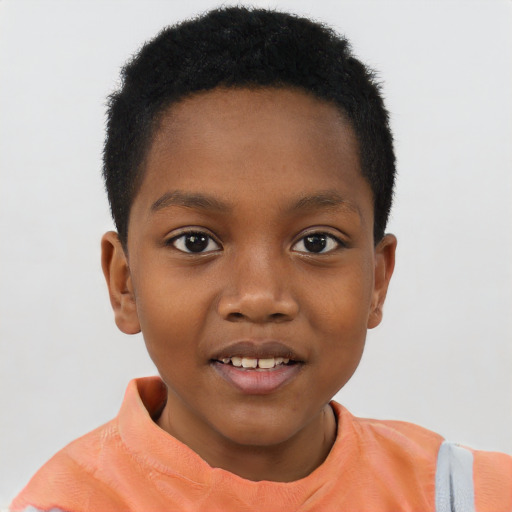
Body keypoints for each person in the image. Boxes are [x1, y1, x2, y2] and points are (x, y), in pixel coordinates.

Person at [10, 6, 511, 512]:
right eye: (195, 242)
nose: (259, 297)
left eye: (317, 243)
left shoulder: (470, 495)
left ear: (377, 280)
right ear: (124, 283)